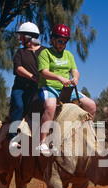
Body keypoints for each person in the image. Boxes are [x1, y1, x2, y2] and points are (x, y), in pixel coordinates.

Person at [36, 24, 97, 155]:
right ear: (52, 39)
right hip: (49, 87)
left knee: (91, 106)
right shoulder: (45, 53)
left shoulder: (68, 55)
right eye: (59, 41)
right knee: (51, 107)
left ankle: (87, 136)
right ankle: (42, 142)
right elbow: (44, 72)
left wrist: (75, 78)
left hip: (67, 89)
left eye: (65, 41)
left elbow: (75, 71)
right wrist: (59, 78)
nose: (62, 44)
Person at [9, 22, 46, 150]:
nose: (20, 39)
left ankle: (43, 138)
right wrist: (32, 77)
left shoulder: (45, 51)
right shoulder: (20, 52)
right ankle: (13, 137)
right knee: (19, 105)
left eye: (21, 36)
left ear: (28, 37)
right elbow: (18, 68)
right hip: (20, 88)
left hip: (37, 89)